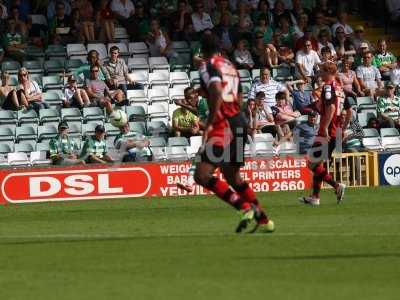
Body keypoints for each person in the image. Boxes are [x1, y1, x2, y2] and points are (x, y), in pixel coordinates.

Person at [195, 33, 274, 233]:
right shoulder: (230, 66)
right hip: (238, 121)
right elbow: (238, 97)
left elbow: (215, 90)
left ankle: (244, 207)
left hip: (224, 123)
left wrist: (212, 122)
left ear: (201, 51)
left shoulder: (207, 65)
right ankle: (263, 219)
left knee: (202, 175)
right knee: (233, 177)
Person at [298, 62, 349, 206]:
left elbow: (331, 108)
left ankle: (337, 186)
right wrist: (343, 128)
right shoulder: (340, 88)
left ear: (327, 71)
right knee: (318, 164)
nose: (319, 72)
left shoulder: (328, 86)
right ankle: (315, 197)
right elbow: (348, 110)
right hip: (336, 132)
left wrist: (325, 127)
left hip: (327, 131)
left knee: (311, 163)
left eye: (321, 70)